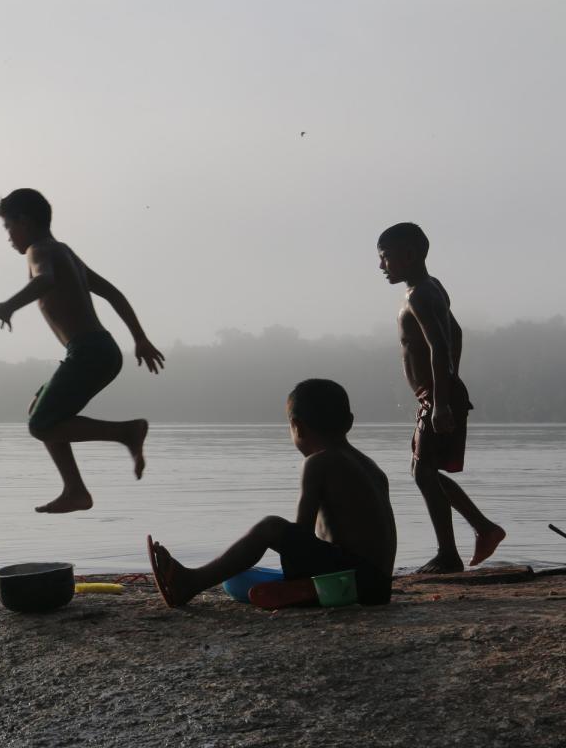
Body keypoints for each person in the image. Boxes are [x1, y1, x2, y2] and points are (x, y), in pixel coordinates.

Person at [0, 188, 164, 514]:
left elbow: (44, 281)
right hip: (102, 350)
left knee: (40, 425)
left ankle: (127, 431)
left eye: (9, 228)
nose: (9, 237)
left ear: (23, 221)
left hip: (89, 351)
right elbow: (114, 294)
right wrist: (140, 338)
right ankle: (75, 490)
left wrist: (10, 305)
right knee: (39, 408)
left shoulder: (38, 250)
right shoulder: (65, 252)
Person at [147, 379, 397, 607]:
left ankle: (190, 582)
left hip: (353, 583)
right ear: (350, 422)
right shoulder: (371, 468)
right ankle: (305, 590)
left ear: (296, 426)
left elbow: (300, 536)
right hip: (377, 586)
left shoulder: (318, 462)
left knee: (271, 527)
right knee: (240, 573)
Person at [377, 222, 505, 573]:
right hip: (436, 393)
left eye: (386, 258)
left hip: (438, 396)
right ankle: (483, 528)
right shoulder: (432, 288)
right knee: (425, 471)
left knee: (422, 472)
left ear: (409, 255)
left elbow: (440, 344)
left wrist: (443, 399)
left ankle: (451, 552)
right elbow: (457, 333)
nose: (381, 266)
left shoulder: (420, 294)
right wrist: (449, 381)